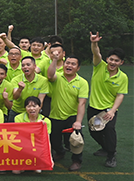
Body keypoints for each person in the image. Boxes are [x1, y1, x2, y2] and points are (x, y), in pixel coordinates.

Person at [88, 32, 128, 168]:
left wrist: (112, 111)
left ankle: (111, 155)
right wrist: (94, 43)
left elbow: (120, 95)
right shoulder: (99, 66)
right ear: (107, 59)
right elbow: (96, 53)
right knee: (93, 131)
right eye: (111, 59)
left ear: (121, 63)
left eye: (116, 61)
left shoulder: (123, 77)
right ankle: (105, 148)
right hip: (93, 106)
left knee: (109, 130)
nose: (113, 63)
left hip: (108, 109)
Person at [46, 50, 88, 171]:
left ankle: (76, 160)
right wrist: (55, 59)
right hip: (55, 115)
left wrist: (78, 122)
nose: (69, 65)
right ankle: (60, 152)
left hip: (72, 116)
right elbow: (49, 75)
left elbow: (82, 103)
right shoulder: (57, 77)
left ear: (78, 68)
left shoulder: (82, 83)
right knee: (54, 139)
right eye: (67, 63)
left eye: (73, 64)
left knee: (76, 140)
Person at [13, 96, 50, 174]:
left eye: (34, 106)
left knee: (38, 171)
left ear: (40, 107)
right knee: (16, 172)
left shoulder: (46, 121)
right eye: (28, 106)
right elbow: (19, 137)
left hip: (37, 149)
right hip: (23, 148)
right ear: (25, 108)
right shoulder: (18, 118)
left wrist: (50, 159)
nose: (31, 109)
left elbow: (47, 141)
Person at [8, 57, 49, 122]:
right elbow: (15, 97)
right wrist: (20, 89)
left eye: (28, 65)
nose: (25, 67)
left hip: (34, 113)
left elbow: (40, 101)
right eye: (23, 65)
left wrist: (34, 113)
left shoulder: (43, 80)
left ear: (34, 66)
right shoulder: (16, 79)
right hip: (17, 111)